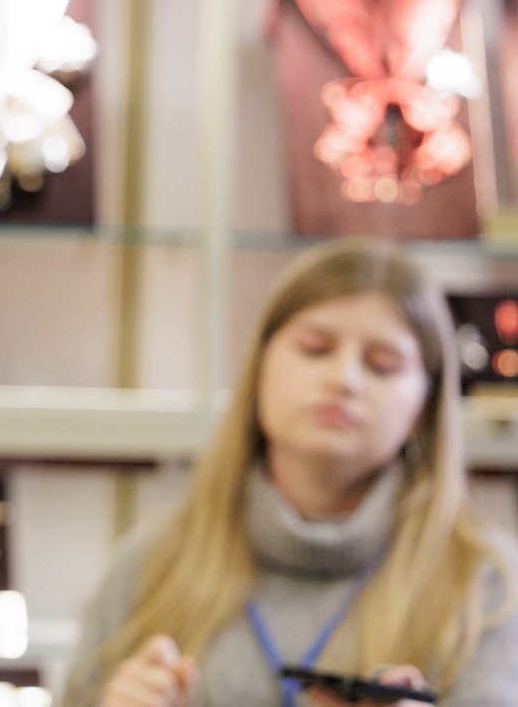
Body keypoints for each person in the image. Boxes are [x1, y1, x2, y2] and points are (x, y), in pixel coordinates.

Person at [62, 239, 518, 707]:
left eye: (382, 366)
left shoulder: (488, 586)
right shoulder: (148, 566)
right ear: (259, 367)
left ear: (424, 407)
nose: (344, 380)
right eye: (315, 349)